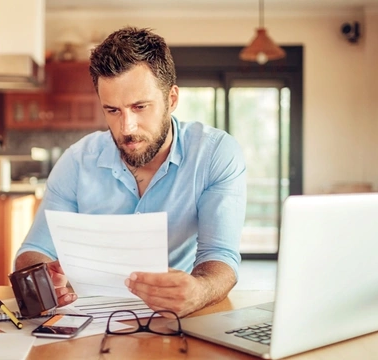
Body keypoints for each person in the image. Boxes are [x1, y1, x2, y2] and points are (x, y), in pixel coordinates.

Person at [15, 26, 246, 317]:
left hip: (176, 318)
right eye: (112, 110)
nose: (127, 128)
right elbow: (34, 249)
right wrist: (40, 281)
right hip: (91, 317)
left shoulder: (215, 154)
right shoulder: (75, 161)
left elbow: (220, 255)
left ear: (172, 99)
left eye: (140, 107)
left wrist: (199, 290)